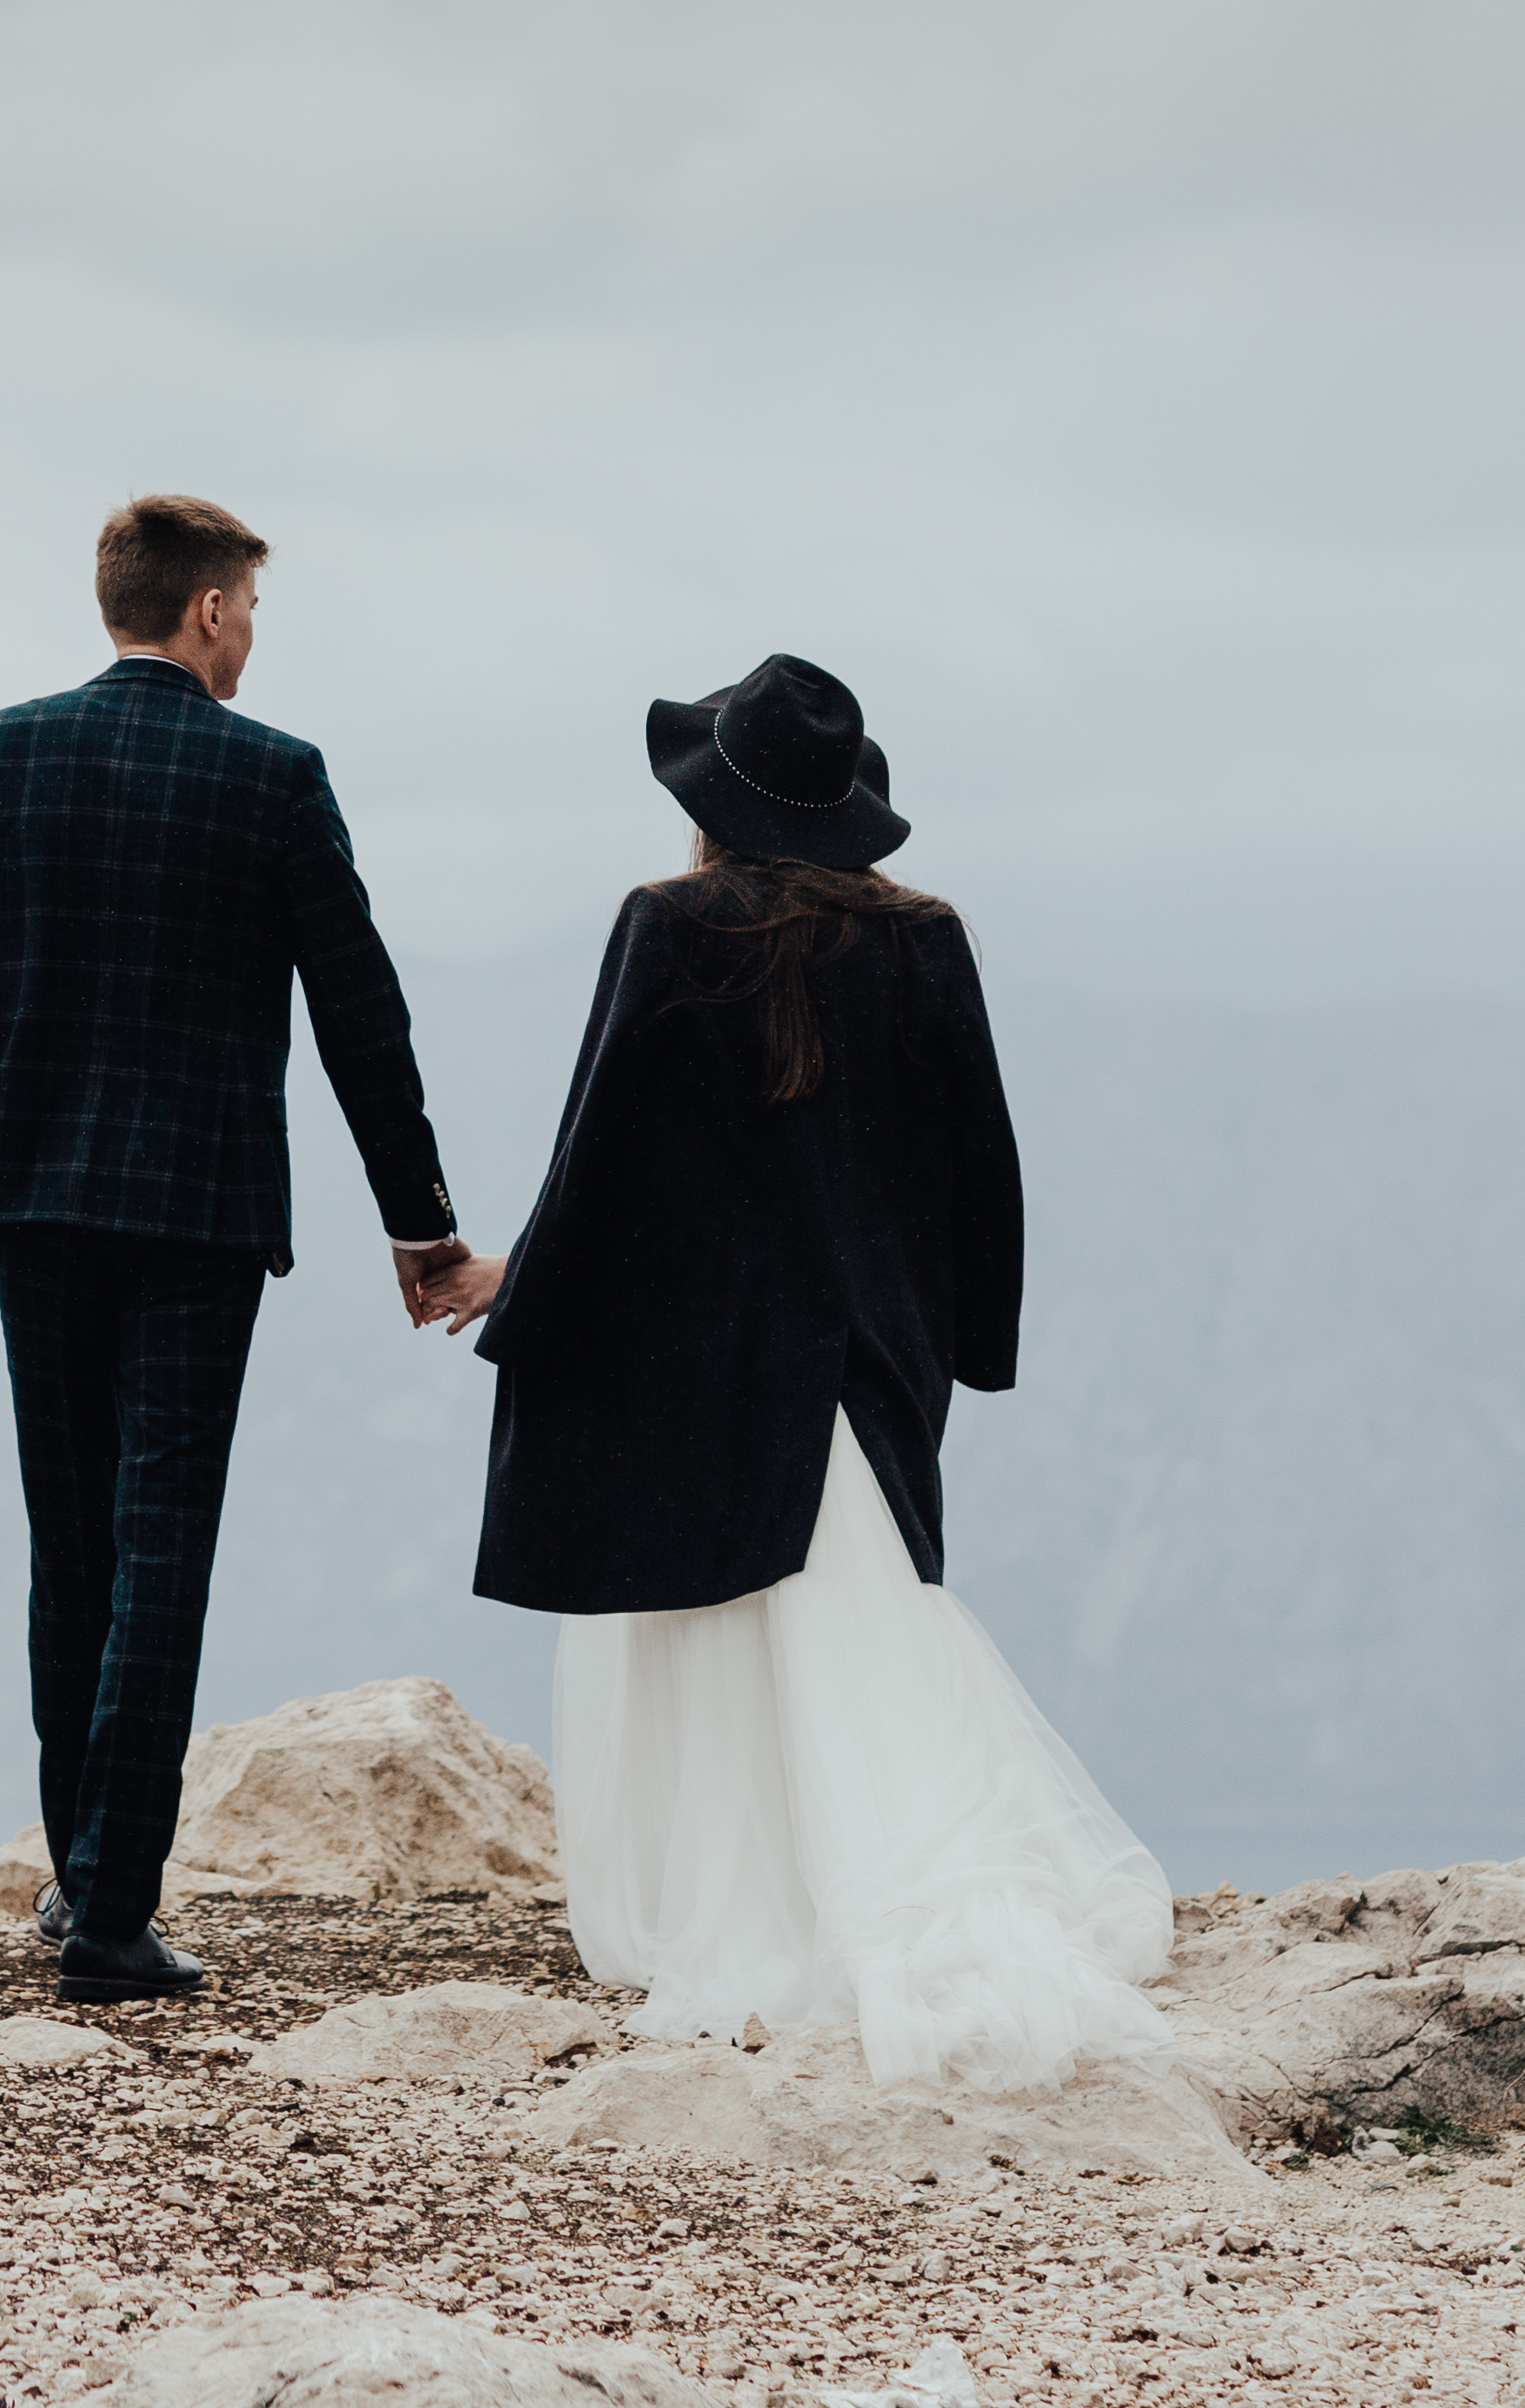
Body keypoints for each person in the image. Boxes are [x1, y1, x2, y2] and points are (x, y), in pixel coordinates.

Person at [420, 654, 1173, 2089]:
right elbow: (982, 1168)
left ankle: (750, 1910)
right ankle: (878, 1897)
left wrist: (515, 1291)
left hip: (693, 1357)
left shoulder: (666, 925)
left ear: (710, 804)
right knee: (855, 1626)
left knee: (714, 1631)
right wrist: (962, 1342)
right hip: (864, 1354)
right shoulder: (925, 940)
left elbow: (603, 1154)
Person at [0, 493, 466, 2005]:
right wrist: (420, 1226)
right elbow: (360, 1013)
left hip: (29, 1202)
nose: (253, 634)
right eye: (252, 608)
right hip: (200, 1212)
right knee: (163, 1549)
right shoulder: (274, 777)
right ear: (208, 610)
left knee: (68, 1541)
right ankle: (111, 1915)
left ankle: (83, 1875)